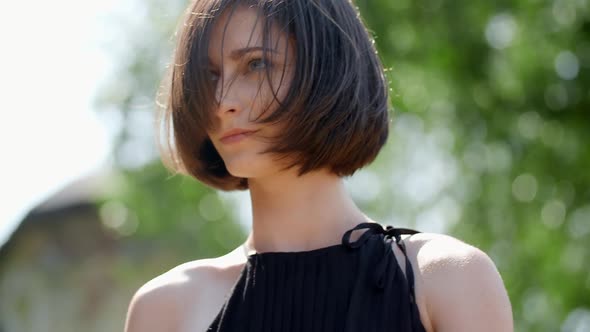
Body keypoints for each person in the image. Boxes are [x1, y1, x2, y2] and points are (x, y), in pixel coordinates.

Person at [124, 0, 513, 331]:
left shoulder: (446, 280)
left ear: (327, 67)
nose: (221, 100)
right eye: (209, 77)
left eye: (256, 65)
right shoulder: (165, 310)